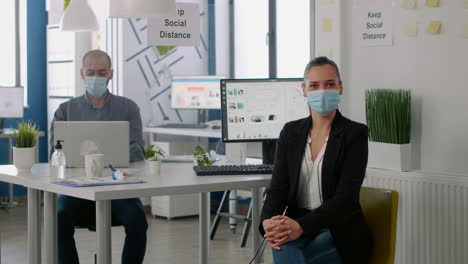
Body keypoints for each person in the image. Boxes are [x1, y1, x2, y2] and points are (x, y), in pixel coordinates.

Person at [259, 57, 373, 264]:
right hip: (296, 221)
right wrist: (268, 221)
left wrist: (301, 226)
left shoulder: (354, 133)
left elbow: (345, 199)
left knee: (298, 254)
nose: (322, 91)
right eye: (314, 85)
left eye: (330, 84)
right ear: (303, 90)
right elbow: (278, 188)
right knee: (283, 243)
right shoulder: (290, 132)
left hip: (340, 228)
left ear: (340, 88)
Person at [50, 50, 148, 264]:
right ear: (82, 73)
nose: (96, 76)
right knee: (58, 218)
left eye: (102, 72)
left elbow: (138, 150)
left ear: (111, 74)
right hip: (76, 188)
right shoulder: (65, 110)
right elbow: (55, 153)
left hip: (118, 187)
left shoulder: (128, 108)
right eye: (90, 71)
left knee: (137, 220)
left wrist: (102, 156)